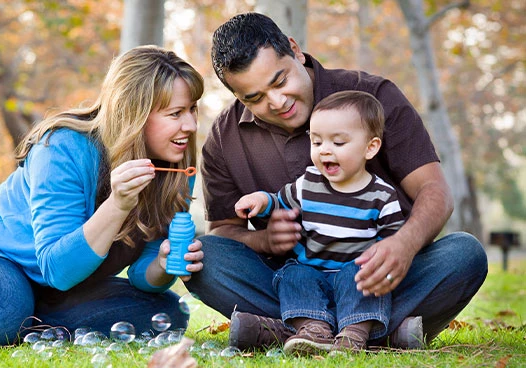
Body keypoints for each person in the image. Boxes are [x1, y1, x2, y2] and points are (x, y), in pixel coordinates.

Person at [184, 12, 487, 351]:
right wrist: (265, 241)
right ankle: (373, 335)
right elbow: (223, 230)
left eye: (280, 81)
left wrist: (403, 245)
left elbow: (435, 191)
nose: (277, 102)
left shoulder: (374, 96)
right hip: (296, 280)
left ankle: (288, 333)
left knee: (464, 254)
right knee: (202, 257)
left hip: (378, 278)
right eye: (253, 98)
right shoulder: (224, 138)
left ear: (296, 51)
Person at [0, 45, 205, 345]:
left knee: (166, 311)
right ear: (133, 113)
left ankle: (21, 322)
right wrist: (118, 205)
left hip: (52, 287)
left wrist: (162, 264)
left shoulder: (174, 171)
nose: (189, 125)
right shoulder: (63, 147)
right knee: (2, 309)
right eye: (176, 114)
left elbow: (142, 272)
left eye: (192, 109)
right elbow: (57, 268)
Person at [234, 90, 405, 354]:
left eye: (337, 143)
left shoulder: (382, 196)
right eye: (316, 142)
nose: (325, 150)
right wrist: (261, 201)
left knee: (363, 275)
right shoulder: (308, 183)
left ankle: (354, 334)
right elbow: (280, 201)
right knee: (293, 273)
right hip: (313, 273)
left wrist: (384, 267)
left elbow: (394, 244)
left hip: (355, 276)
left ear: (370, 147)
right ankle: (314, 329)